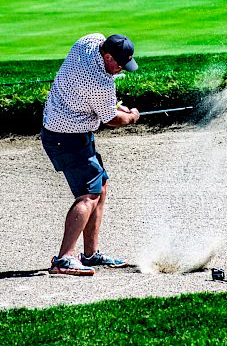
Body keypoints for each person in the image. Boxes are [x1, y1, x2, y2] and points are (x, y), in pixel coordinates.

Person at [40, 33, 140, 276]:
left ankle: (90, 255)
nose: (119, 69)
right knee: (89, 194)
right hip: (67, 137)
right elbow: (112, 119)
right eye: (117, 64)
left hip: (64, 125)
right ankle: (63, 259)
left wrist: (112, 105)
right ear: (106, 56)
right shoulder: (101, 83)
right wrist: (131, 116)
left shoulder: (89, 41)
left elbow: (101, 104)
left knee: (101, 185)